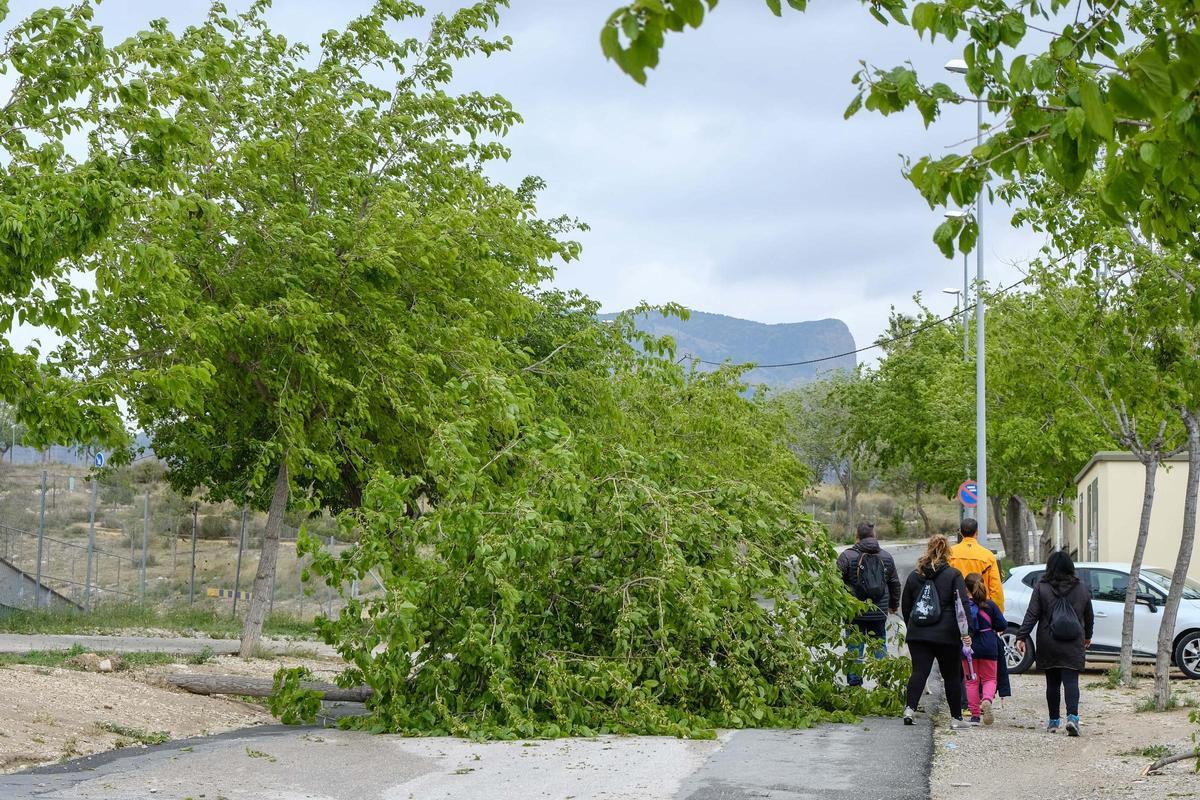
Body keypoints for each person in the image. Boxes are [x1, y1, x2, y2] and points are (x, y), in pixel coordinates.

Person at [1015, 551, 1094, 736]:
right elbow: (1088, 615)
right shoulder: (1081, 587)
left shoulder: (1042, 587)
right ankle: (1073, 718)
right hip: (1074, 640)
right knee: (1071, 681)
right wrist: (1088, 636)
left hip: (1048, 640)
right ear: (1070, 567)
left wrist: (1021, 636)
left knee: (1052, 683)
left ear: (1049, 567)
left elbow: (1032, 614)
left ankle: (1053, 722)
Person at [901, 534, 973, 728]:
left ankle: (910, 709)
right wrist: (967, 632)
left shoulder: (915, 575)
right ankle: (956, 718)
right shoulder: (953, 575)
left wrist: (913, 627)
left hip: (919, 633)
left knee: (919, 672)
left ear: (928, 548)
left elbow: (906, 605)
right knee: (951, 675)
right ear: (948, 551)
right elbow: (962, 605)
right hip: (946, 635)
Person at [949, 517, 1008, 711]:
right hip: (983, 612)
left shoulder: (951, 554)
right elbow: (996, 588)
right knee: (985, 666)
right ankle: (983, 698)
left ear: (960, 532)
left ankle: (964, 703)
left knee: (961, 659)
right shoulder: (987, 556)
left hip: (956, 611)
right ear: (977, 533)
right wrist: (996, 612)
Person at [837, 521, 901, 686]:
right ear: (874, 536)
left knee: (854, 647)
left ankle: (854, 685)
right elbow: (894, 583)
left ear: (857, 536)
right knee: (879, 645)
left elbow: (835, 582)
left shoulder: (847, 556)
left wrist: (840, 604)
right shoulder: (886, 557)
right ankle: (883, 681)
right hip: (879, 610)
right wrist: (894, 605)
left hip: (854, 611)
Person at [962, 572, 1007, 726]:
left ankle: (974, 716)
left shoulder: (963, 606)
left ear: (965, 588)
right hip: (989, 644)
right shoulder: (991, 605)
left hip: (968, 645)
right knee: (989, 679)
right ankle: (986, 699)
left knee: (971, 681)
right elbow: (1002, 625)